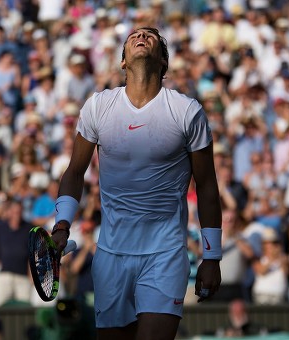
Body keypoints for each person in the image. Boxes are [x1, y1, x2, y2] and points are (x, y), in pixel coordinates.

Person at [51, 27, 222, 340]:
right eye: (134, 35)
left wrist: (212, 257)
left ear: (163, 62)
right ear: (122, 62)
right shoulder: (97, 107)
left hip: (165, 255)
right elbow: (75, 172)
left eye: (151, 35)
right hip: (110, 257)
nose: (141, 36)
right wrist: (62, 225)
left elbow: (208, 185)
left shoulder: (187, 112)